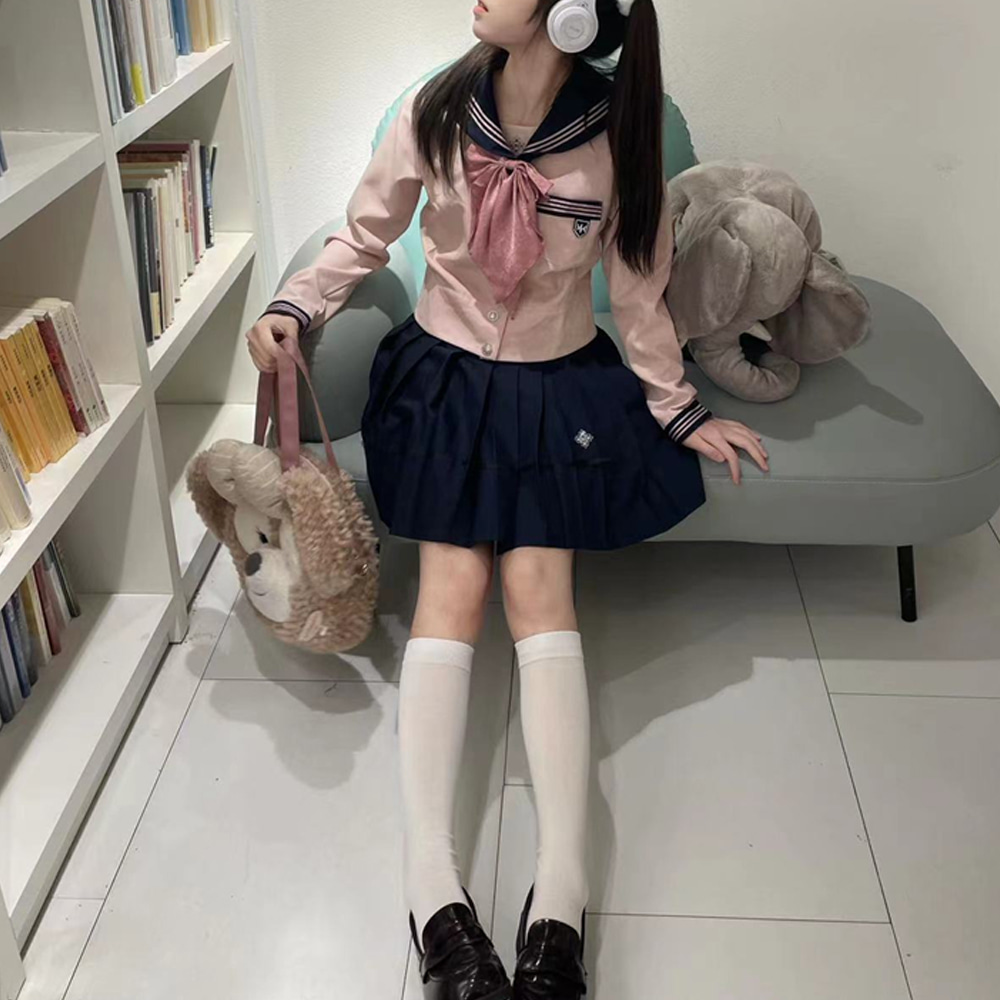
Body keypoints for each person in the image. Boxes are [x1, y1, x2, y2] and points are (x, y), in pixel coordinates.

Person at [246, 1, 768, 996]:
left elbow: (639, 288)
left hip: (557, 381)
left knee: (538, 588)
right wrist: (293, 305)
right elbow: (364, 235)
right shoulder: (435, 109)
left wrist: (678, 408)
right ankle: (431, 887)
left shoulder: (619, 131)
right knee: (451, 585)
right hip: (442, 381)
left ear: (569, 8)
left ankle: (561, 896)